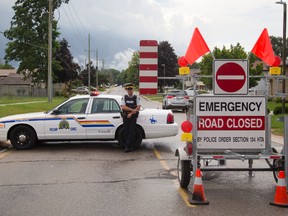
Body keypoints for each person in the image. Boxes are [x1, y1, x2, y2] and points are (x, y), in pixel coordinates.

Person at [120, 83, 141, 153]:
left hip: (133, 117)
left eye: (131, 89)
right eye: (128, 89)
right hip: (126, 116)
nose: (130, 91)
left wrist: (131, 113)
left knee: (131, 131)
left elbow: (138, 106)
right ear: (126, 90)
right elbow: (123, 107)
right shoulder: (124, 97)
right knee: (126, 131)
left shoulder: (136, 97)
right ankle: (128, 146)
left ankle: (129, 147)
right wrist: (132, 110)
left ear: (133, 89)